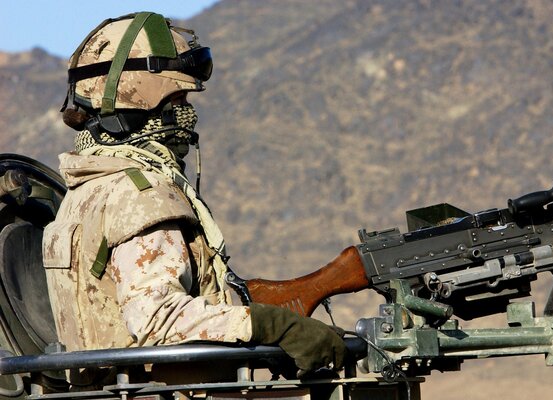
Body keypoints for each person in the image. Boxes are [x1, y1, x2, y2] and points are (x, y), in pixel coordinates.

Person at [42, 11, 346, 383]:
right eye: (180, 98)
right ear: (143, 99)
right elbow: (157, 319)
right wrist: (270, 327)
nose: (188, 113)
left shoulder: (85, 190)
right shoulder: (140, 194)